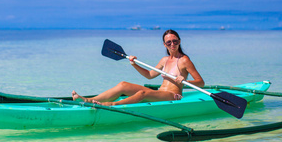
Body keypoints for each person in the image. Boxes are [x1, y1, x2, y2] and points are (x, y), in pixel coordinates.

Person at [72, 29, 205, 106]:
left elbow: (201, 82)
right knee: (123, 85)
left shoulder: (184, 60)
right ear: (164, 44)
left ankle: (112, 105)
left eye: (175, 41)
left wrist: (184, 81)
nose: (172, 44)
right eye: (169, 42)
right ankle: (87, 100)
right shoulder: (164, 60)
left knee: (143, 93)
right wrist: (134, 64)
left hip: (172, 96)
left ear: (179, 42)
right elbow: (149, 75)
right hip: (160, 93)